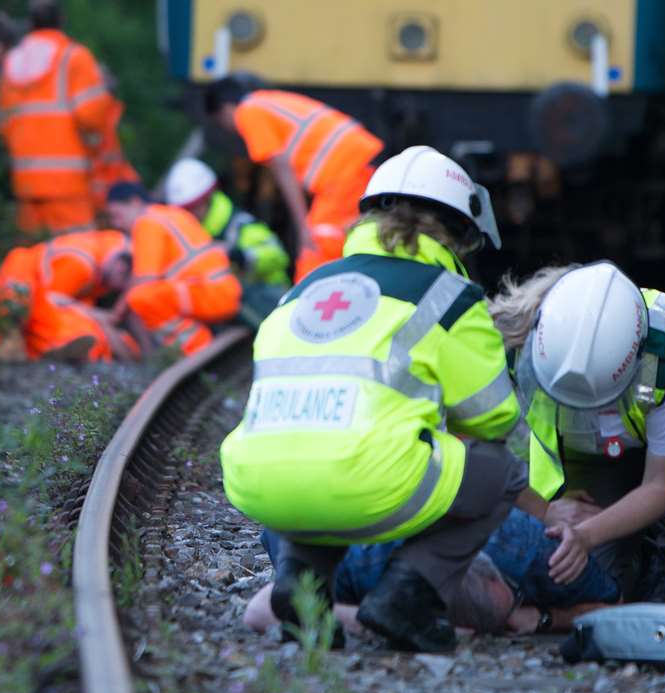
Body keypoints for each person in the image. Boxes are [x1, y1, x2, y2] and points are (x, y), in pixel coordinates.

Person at [218, 145, 528, 653]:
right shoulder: (449, 296)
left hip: (258, 484)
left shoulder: (305, 288)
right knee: (502, 469)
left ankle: (301, 584)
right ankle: (410, 593)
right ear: (456, 230)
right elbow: (494, 419)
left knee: (326, 449)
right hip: (362, 482)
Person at [491, 262, 665, 602]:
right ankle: (642, 544)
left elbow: (662, 484)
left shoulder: (664, 346)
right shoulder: (516, 339)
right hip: (597, 458)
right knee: (583, 583)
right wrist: (546, 511)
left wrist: (586, 535)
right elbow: (480, 450)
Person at [243, 508, 621, 640]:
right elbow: (261, 610)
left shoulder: (531, 548)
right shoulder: (361, 565)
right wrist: (378, 618)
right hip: (304, 510)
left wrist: (545, 617)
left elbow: (619, 606)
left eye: (513, 596)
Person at [203, 76, 384, 282]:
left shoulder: (248, 111)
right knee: (348, 234)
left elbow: (281, 166)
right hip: (353, 163)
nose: (228, 129)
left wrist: (302, 226)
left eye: (221, 123)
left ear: (225, 109)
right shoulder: (267, 101)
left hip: (341, 171)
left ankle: (306, 306)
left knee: (316, 245)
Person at [0, 0, 132, 236]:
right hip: (68, 185)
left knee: (36, 257)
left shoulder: (11, 63)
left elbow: (5, 123)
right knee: (77, 254)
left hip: (26, 183)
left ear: (30, 22)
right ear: (61, 19)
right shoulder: (74, 57)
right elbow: (92, 117)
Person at [104, 182, 242, 357]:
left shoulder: (147, 223)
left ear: (135, 202)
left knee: (140, 298)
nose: (116, 223)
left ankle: (198, 351)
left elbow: (144, 281)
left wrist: (116, 314)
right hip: (221, 289)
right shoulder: (169, 213)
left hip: (211, 293)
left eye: (117, 215)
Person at [162, 157, 290, 325]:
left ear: (207, 198)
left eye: (193, 208)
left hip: (276, 302)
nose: (189, 216)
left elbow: (278, 257)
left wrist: (236, 255)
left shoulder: (239, 225)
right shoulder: (192, 239)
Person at [0, 229, 137, 361]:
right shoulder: (81, 266)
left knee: (90, 330)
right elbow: (52, 299)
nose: (116, 289)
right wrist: (97, 316)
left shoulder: (113, 248)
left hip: (41, 291)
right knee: (78, 330)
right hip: (26, 285)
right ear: (121, 267)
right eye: (122, 284)